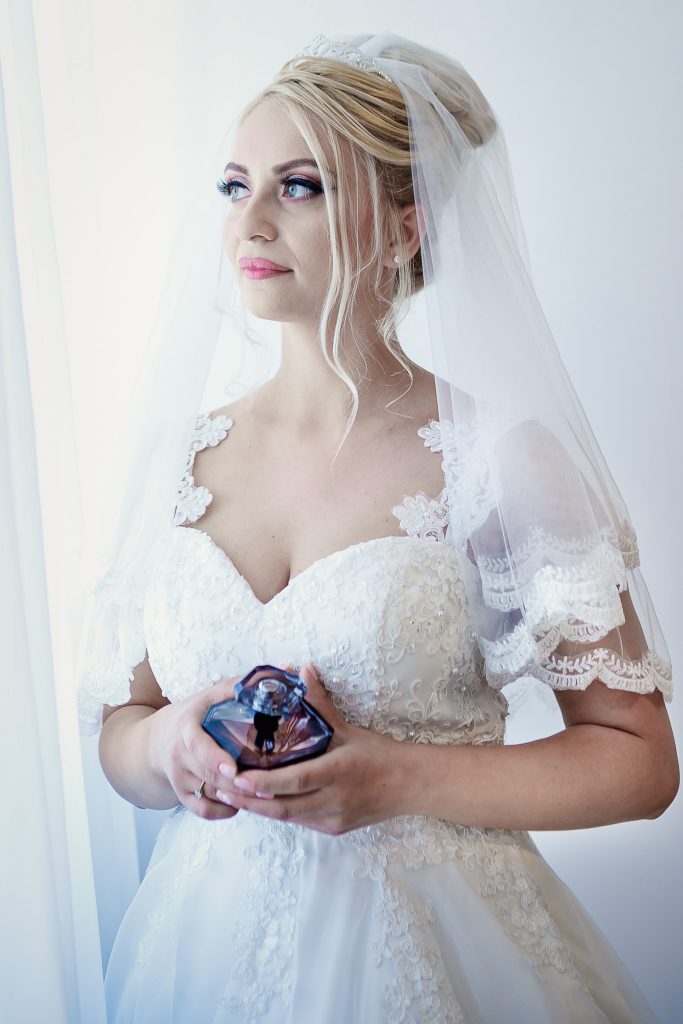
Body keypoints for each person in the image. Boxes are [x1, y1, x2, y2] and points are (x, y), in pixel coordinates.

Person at [81, 33, 678, 1023]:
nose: (250, 222)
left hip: (435, 951)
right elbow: (121, 729)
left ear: (404, 229)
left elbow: (638, 759)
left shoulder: (500, 462)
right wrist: (169, 750)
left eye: (299, 186)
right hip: (201, 951)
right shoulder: (179, 461)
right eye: (234, 186)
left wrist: (396, 777)